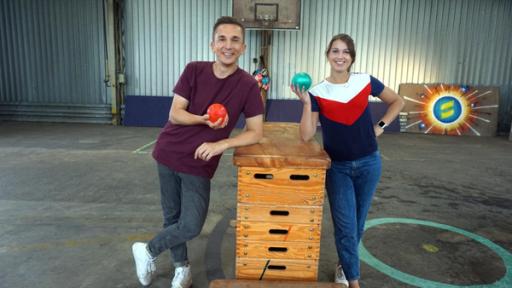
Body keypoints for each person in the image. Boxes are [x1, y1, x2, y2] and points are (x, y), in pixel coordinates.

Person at [131, 16, 264, 288]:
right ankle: (182, 269)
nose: (228, 45)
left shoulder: (248, 85)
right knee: (172, 218)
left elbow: (256, 131)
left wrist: (220, 144)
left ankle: (147, 250)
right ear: (212, 44)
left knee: (191, 225)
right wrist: (204, 120)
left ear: (244, 48)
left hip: (199, 161)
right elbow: (175, 114)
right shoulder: (193, 70)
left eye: (235, 40)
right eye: (222, 39)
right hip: (168, 151)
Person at [291, 34, 404, 288]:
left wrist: (381, 126)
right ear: (327, 55)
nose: (340, 56)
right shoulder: (318, 92)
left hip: (369, 163)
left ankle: (344, 265)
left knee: (357, 224)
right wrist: (306, 102)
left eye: (345, 52)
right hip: (338, 168)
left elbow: (398, 101)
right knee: (345, 227)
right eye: (335, 51)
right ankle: (354, 282)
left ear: (352, 57)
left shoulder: (365, 81)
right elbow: (306, 135)